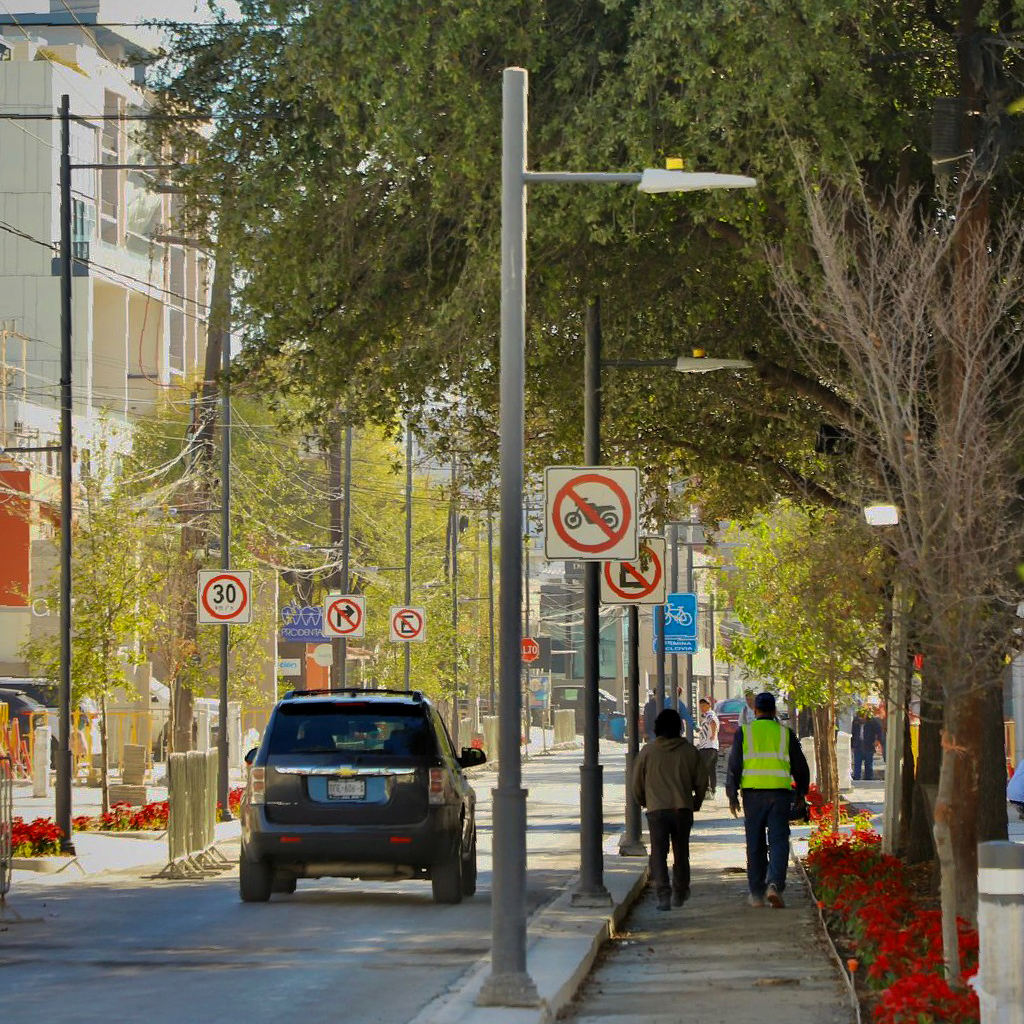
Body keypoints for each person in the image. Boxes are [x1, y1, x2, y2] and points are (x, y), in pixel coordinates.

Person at [725, 691, 810, 909]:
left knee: (755, 843)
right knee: (779, 840)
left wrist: (732, 792)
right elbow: (800, 765)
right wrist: (802, 791)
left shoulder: (744, 732)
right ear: (774, 711)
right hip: (779, 795)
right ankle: (775, 885)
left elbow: (734, 765)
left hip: (752, 795)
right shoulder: (785, 734)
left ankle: (756, 893)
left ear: (755, 711)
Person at [632, 708, 709, 911]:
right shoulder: (689, 751)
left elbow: (636, 784)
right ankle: (681, 892)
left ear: (657, 728)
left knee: (658, 853)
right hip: (682, 809)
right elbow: (702, 781)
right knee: (681, 852)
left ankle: (663, 895)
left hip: (656, 810)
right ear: (679, 728)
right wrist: (696, 802)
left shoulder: (647, 752)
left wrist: (644, 801)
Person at [851, 705, 884, 781]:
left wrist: (877, 740)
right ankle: (857, 778)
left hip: (869, 744)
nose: (861, 719)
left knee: (869, 763)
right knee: (857, 763)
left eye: (863, 716)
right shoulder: (856, 722)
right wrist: (852, 745)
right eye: (860, 717)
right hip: (858, 745)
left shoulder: (872, 721)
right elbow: (853, 733)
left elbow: (879, 731)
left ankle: (868, 778)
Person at [696, 696, 720, 797]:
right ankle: (712, 790)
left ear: (709, 705)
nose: (701, 708)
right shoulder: (710, 715)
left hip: (707, 747)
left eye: (703, 706)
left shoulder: (709, 715)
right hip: (713, 747)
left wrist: (713, 735)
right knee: (711, 770)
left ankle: (706, 791)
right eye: (700, 706)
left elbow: (713, 724)